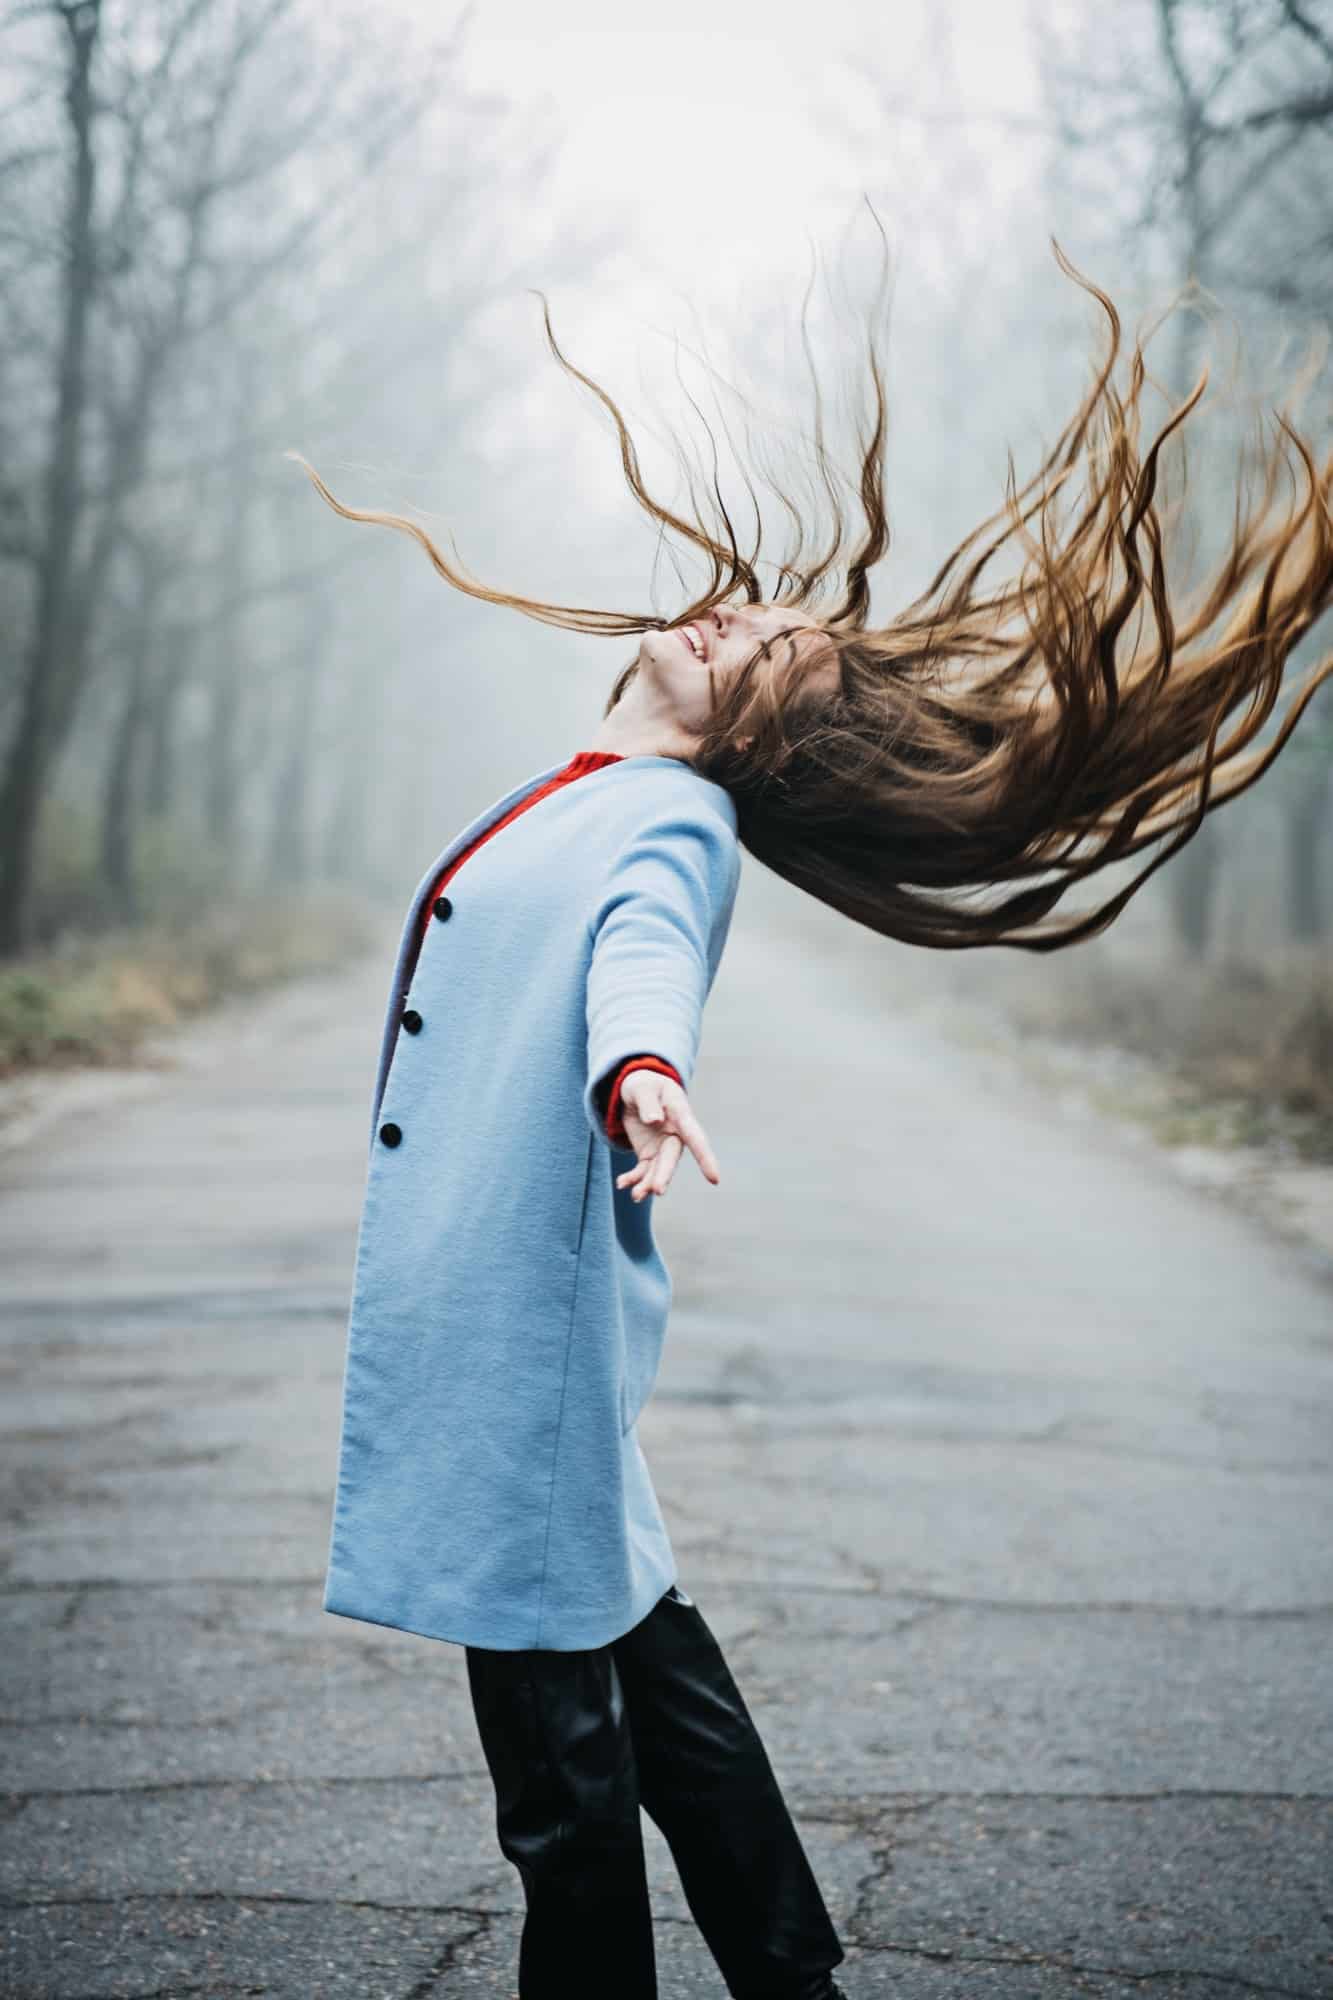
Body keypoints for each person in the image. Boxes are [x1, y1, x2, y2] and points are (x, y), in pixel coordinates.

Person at [294, 242, 1333, 2000]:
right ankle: (788, 1969)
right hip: (506, 1315)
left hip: (515, 1327)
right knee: (645, 1659)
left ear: (751, 746)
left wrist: (647, 1074)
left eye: (755, 650)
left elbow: (640, 963)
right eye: (744, 612)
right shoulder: (592, 785)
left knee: (555, 1755)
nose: (721, 617)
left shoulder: (669, 827)